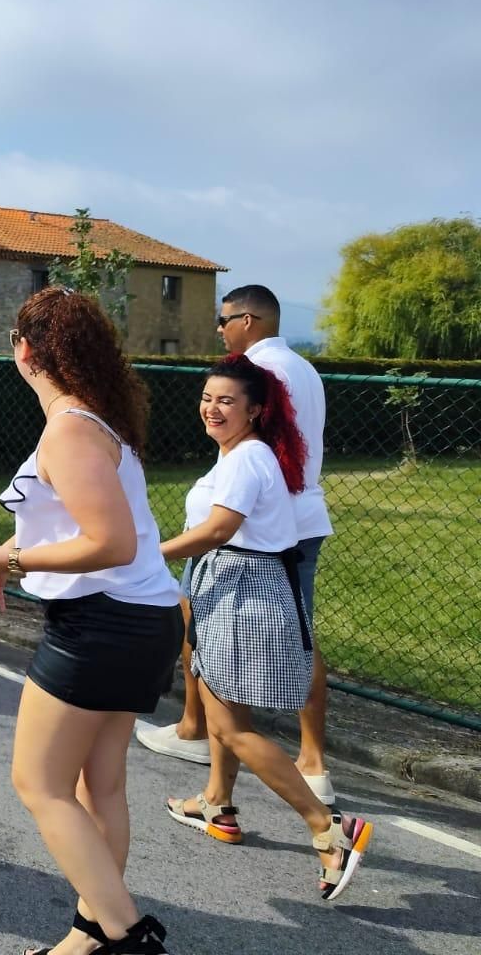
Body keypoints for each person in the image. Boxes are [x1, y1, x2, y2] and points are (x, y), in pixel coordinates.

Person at [0, 287, 181, 955]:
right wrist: (2, 564)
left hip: (101, 626)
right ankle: (89, 937)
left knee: (40, 784)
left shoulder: (71, 428)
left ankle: (129, 937)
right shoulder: (97, 423)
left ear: (24, 350)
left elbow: (112, 542)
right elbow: (81, 525)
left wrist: (9, 557)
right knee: (98, 783)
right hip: (139, 621)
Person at [159, 354, 372, 902]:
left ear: (255, 410)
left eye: (226, 401)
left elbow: (217, 530)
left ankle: (329, 829)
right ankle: (217, 804)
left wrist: (143, 555)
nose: (212, 408)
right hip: (226, 589)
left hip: (244, 596)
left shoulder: (247, 459)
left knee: (230, 727)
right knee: (217, 709)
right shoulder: (237, 454)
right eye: (207, 398)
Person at [138, 286, 337, 803]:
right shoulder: (304, 368)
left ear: (247, 320)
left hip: (252, 546)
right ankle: (234, 787)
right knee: (298, 632)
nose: (220, 330)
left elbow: (229, 511)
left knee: (215, 642)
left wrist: (153, 550)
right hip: (288, 523)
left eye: (224, 320)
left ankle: (206, 738)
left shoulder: (258, 381)